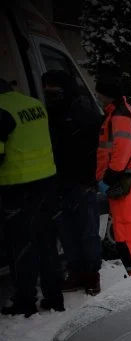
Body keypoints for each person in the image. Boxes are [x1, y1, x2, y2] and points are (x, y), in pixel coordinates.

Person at [0, 78, 63, 318]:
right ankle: (54, 297)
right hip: (46, 183)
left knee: (22, 247)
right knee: (47, 243)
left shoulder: (1, 111)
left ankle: (25, 301)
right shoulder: (34, 104)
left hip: (17, 188)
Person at [42, 70, 103, 295]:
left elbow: (99, 149)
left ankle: (92, 275)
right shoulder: (47, 114)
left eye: (54, 90)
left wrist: (92, 179)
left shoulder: (85, 114)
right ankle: (76, 272)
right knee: (66, 231)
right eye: (47, 90)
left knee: (88, 232)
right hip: (57, 182)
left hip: (83, 183)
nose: (50, 94)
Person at [94, 68, 131, 276]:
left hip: (124, 182)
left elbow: (122, 149)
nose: (97, 97)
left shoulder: (119, 116)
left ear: (106, 93)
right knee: (126, 234)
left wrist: (108, 177)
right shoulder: (119, 113)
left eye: (99, 93)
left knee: (128, 236)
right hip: (126, 182)